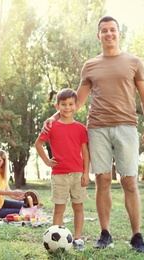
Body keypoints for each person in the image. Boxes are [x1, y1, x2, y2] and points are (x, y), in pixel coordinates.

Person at [43, 16, 144, 253]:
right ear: (98, 35)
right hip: (97, 129)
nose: (108, 34)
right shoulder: (90, 65)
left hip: (126, 127)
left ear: (119, 33)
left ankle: (136, 236)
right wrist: (52, 120)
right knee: (102, 180)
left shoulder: (134, 62)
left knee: (129, 181)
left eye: (112, 30)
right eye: (104, 31)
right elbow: (77, 102)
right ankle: (105, 234)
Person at [35, 88, 90, 251]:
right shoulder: (51, 126)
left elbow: (85, 152)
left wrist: (86, 172)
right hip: (59, 175)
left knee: (78, 206)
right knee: (59, 207)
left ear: (76, 105)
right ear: (57, 106)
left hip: (78, 174)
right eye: (63, 104)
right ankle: (54, 241)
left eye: (71, 104)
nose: (67, 108)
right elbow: (38, 144)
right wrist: (46, 161)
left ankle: (78, 238)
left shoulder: (80, 128)